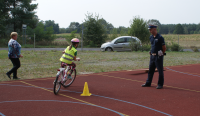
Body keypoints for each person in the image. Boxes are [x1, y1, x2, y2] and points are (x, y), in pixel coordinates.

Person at [142, 25, 166, 89]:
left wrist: (162, 54)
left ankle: (160, 84)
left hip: (158, 57)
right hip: (152, 56)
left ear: (154, 29)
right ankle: (148, 82)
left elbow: (164, 47)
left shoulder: (160, 37)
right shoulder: (151, 37)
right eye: (149, 30)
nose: (150, 31)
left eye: (150, 30)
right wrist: (151, 51)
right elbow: (153, 46)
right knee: (150, 70)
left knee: (160, 71)